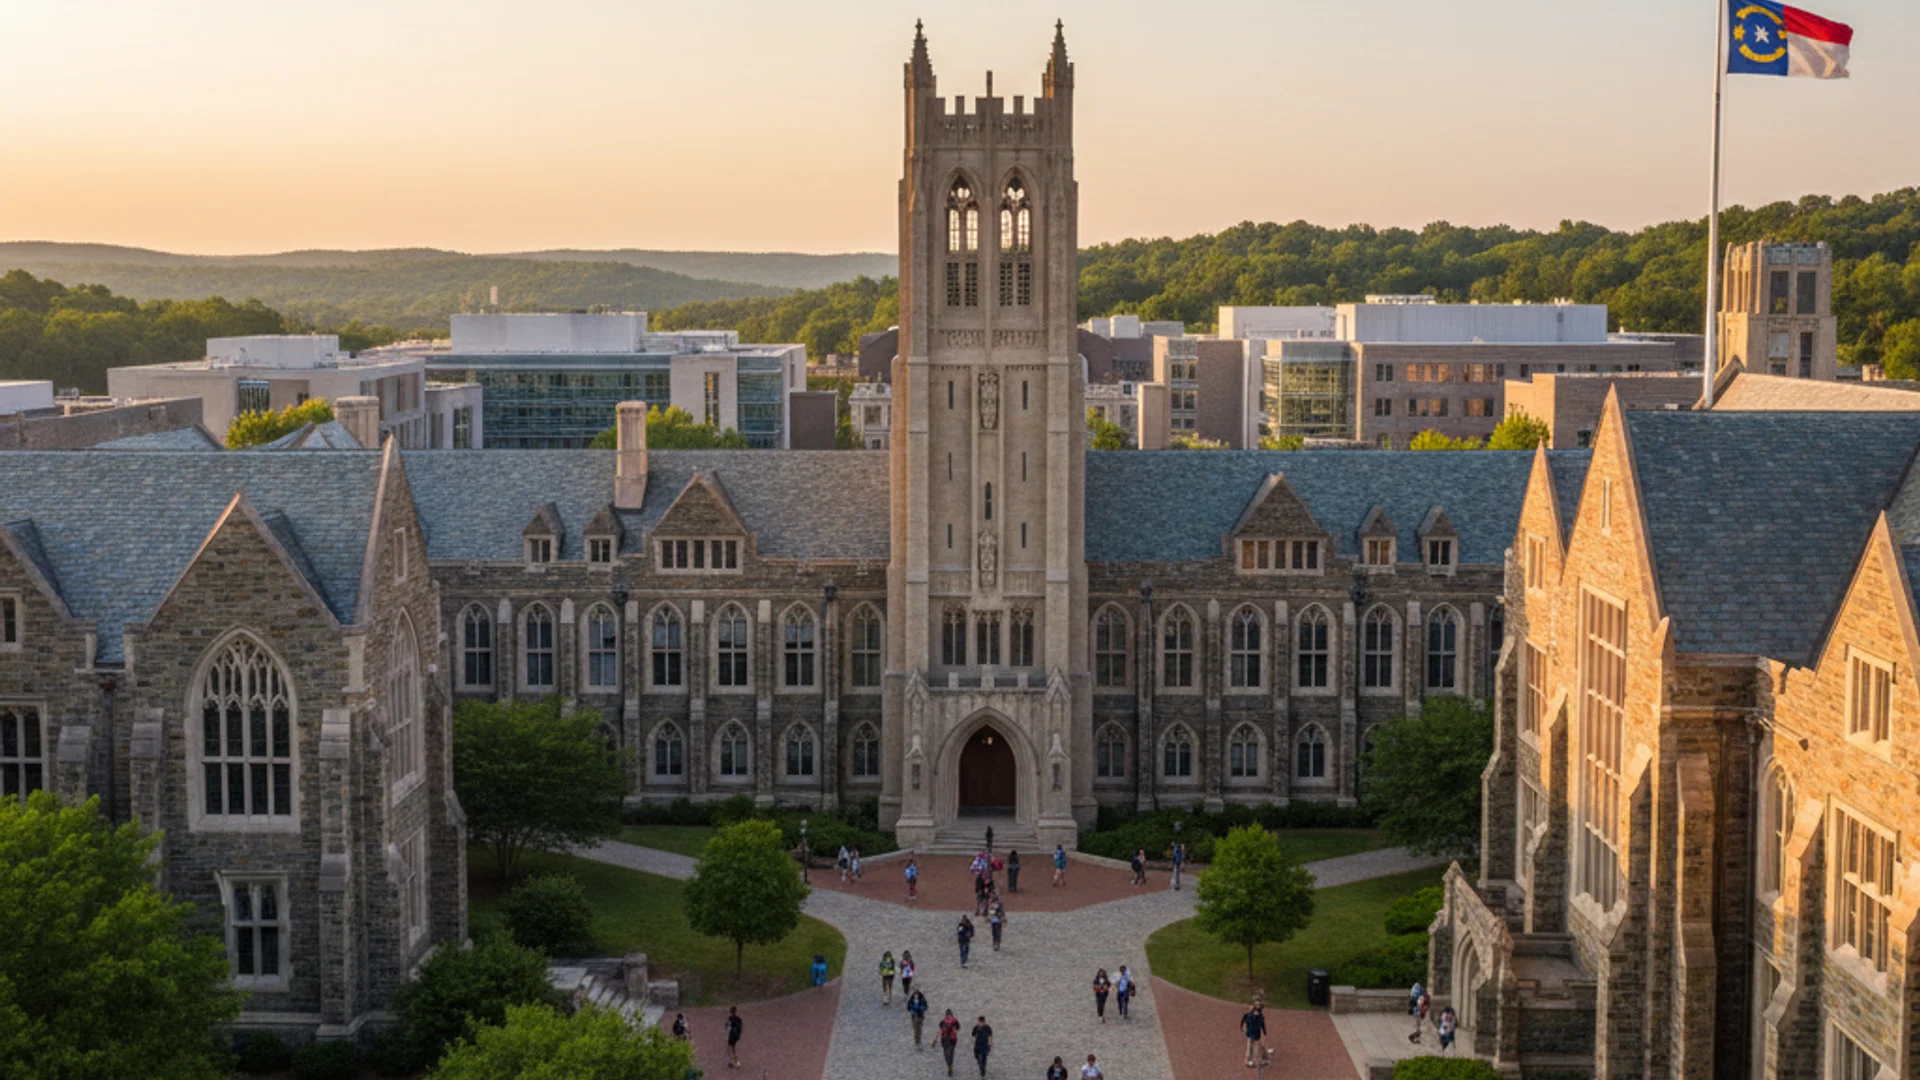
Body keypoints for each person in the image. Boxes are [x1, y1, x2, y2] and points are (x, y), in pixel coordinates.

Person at [1242, 1000, 1270, 1067]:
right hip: (1250, 1035)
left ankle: (1260, 1059)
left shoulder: (1259, 1017)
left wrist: (1264, 1031)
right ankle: (1249, 1061)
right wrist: (1244, 1028)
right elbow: (1245, 1022)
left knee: (1256, 1048)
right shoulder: (1249, 1016)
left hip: (1256, 1036)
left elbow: (1261, 1024)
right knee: (1250, 1048)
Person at [938, 1009, 961, 1077]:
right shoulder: (955, 1020)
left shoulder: (943, 1021)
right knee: (951, 1051)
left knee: (945, 1052)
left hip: (945, 1039)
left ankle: (949, 1063)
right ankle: (950, 1064)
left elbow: (940, 1028)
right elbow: (958, 1028)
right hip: (952, 1039)